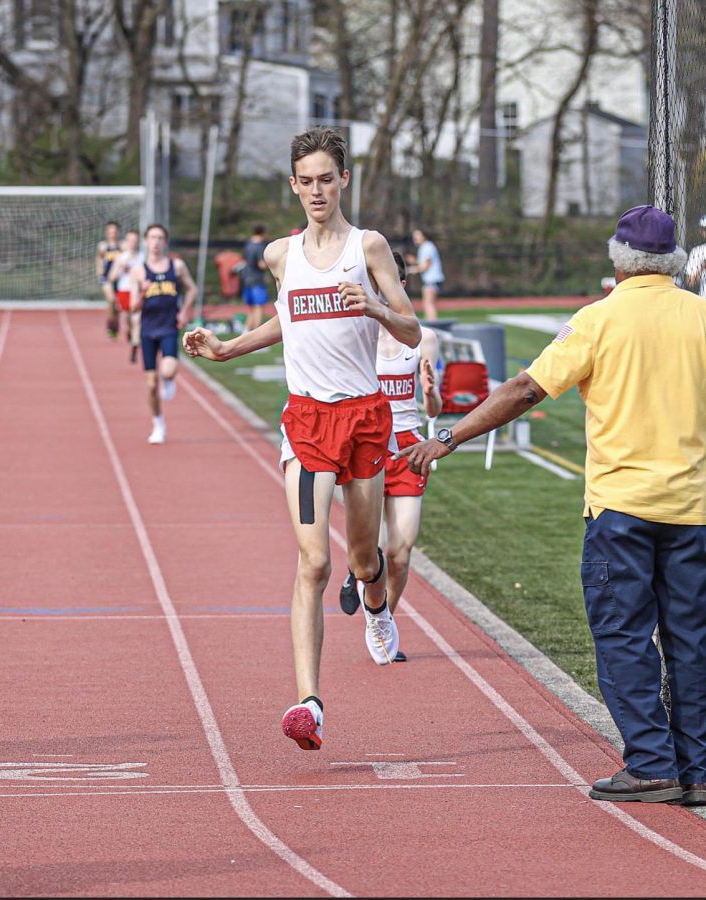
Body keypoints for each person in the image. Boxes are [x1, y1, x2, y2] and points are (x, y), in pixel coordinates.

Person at [399, 204, 706, 806]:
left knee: (622, 635)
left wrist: (448, 437)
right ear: (672, 261)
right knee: (692, 640)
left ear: (617, 259)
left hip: (621, 507)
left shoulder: (599, 319)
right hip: (693, 507)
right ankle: (697, 770)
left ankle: (650, 763)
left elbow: (523, 390)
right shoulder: (699, 317)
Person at [183, 126, 421, 751]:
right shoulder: (279, 255)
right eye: (305, 181)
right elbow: (286, 320)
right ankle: (308, 703)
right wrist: (229, 347)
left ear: (344, 180)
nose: (316, 190)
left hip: (366, 420)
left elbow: (413, 330)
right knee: (313, 561)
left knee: (364, 559)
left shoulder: (368, 248)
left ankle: (375, 606)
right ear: (293, 185)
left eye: (326, 179)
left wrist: (373, 307)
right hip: (309, 424)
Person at [339, 251, 442, 663]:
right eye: (378, 280)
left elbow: (433, 408)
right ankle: (358, 570)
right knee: (372, 550)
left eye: (394, 280)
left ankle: (382, 623)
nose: (385, 287)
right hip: (368, 443)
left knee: (401, 552)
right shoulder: (353, 330)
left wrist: (430, 389)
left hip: (409, 446)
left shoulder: (424, 337)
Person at [130, 223, 197, 445]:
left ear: (165, 242)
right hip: (148, 330)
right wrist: (142, 292)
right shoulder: (139, 271)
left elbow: (192, 288)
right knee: (150, 384)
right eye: (152, 237)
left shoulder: (176, 266)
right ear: (146, 242)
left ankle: (168, 380)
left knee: (168, 371)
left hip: (168, 327)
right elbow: (132, 307)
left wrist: (184, 311)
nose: (156, 242)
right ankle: (158, 423)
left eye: (160, 238)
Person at [108, 228, 144, 363]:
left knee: (137, 320)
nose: (133, 243)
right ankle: (130, 336)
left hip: (138, 292)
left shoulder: (142, 257)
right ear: (127, 242)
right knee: (128, 322)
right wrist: (120, 269)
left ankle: (135, 346)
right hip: (124, 291)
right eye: (130, 240)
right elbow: (111, 278)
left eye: (135, 240)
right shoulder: (121, 258)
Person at [405, 227, 444, 321]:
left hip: (432, 280)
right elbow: (424, 264)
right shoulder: (425, 247)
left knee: (428, 304)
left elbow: (425, 267)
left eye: (417, 236)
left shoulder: (427, 247)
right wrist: (415, 262)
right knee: (427, 303)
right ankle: (431, 324)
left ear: (424, 236)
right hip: (431, 280)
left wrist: (409, 270)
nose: (415, 238)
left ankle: (432, 325)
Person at [95, 221, 122, 338]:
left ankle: (114, 319)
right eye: (110, 232)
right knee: (111, 299)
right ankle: (112, 324)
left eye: (114, 231)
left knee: (118, 306)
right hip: (107, 278)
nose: (112, 234)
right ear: (107, 233)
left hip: (120, 279)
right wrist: (100, 272)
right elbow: (99, 259)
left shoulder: (122, 246)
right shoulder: (103, 246)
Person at [241, 223, 270, 333]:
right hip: (257, 280)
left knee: (252, 308)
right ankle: (257, 335)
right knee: (259, 308)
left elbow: (244, 262)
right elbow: (261, 264)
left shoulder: (247, 245)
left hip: (246, 279)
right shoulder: (260, 246)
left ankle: (246, 332)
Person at [684, 214, 706, 299]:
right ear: (702, 231)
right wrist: (703, 266)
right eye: (705, 229)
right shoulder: (697, 251)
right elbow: (690, 282)